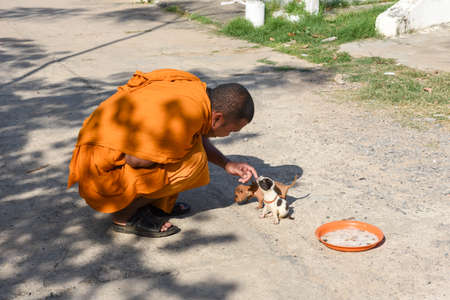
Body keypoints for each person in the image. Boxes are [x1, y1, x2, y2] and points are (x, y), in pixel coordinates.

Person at [67, 68, 258, 238]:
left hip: (97, 147)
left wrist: (226, 163)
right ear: (217, 118)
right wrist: (175, 151)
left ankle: (153, 205)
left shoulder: (195, 90)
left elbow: (192, 134)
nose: (227, 135)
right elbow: (136, 160)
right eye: (231, 131)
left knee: (183, 148)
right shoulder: (187, 114)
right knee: (194, 162)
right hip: (99, 172)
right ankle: (125, 216)